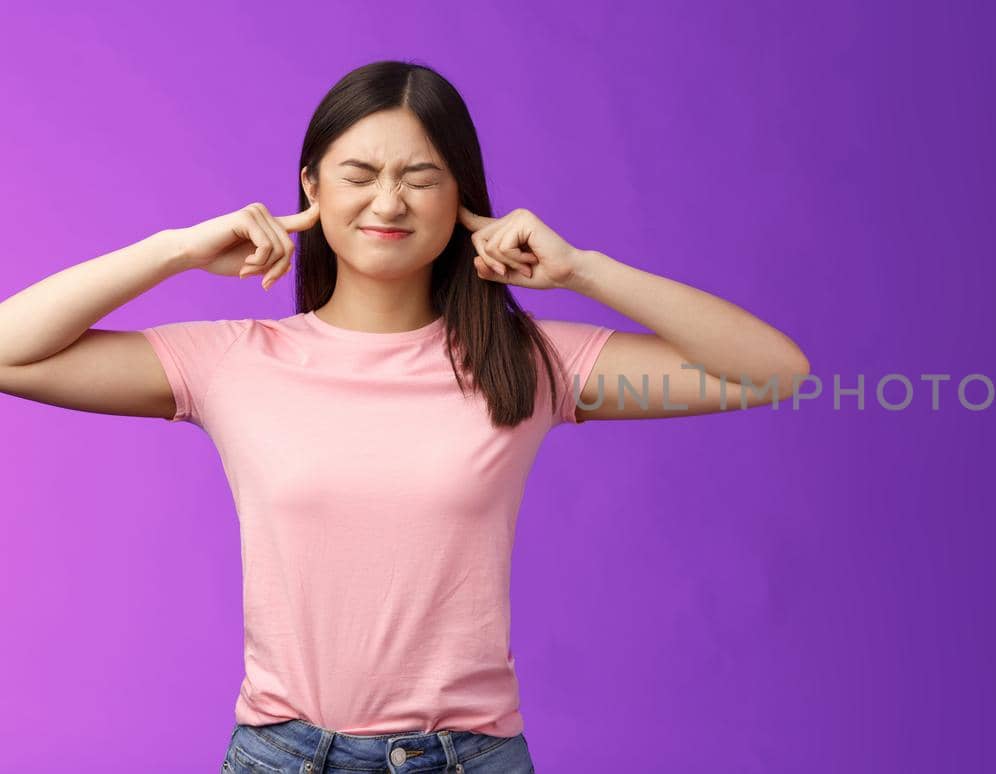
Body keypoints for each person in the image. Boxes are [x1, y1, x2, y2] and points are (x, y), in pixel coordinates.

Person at [0, 60, 809, 774]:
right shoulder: (232, 359)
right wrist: (174, 248)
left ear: (461, 196)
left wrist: (583, 272)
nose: (389, 201)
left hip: (468, 756)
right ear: (311, 187)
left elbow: (773, 372)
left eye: (421, 176)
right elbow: (10, 351)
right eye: (360, 173)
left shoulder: (527, 360)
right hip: (283, 756)